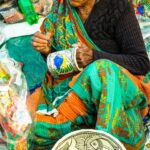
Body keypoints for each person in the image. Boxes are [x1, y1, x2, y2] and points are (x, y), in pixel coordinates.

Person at [31, 0, 150, 149]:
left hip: (113, 89)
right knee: (28, 129)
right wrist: (47, 50)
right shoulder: (61, 9)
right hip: (74, 89)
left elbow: (141, 63)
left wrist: (94, 56)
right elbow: (61, 62)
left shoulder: (117, 7)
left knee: (101, 69)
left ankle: (106, 142)